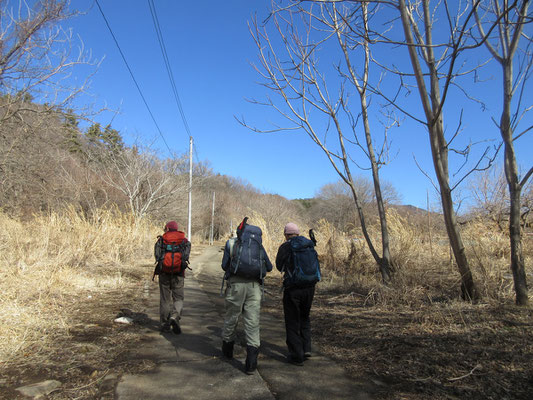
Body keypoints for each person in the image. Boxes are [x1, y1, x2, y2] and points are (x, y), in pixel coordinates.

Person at [220, 217, 273, 374]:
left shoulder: (231, 243)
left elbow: (224, 266)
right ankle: (251, 363)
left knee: (232, 317)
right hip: (254, 288)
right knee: (252, 322)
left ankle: (228, 352)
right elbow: (269, 267)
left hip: (235, 286)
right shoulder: (258, 245)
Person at [275, 222, 318, 366]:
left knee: (292, 320)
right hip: (310, 287)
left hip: (293, 288)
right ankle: (306, 349)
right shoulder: (309, 244)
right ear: (298, 233)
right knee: (305, 317)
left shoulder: (286, 246)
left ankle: (296, 356)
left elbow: (279, 266)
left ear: (286, 234)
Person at [154, 220, 190, 334]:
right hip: (179, 274)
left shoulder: (161, 240)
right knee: (178, 298)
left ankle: (165, 324)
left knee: (165, 299)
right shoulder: (184, 241)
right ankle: (175, 317)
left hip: (164, 273)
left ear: (167, 228)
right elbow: (186, 255)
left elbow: (157, 255)